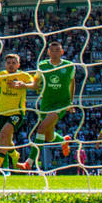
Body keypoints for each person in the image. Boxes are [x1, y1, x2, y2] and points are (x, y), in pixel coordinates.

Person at [18, 41, 75, 171]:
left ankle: (29, 162)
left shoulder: (69, 66)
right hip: (46, 103)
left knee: (41, 129)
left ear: (62, 52)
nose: (54, 53)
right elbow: (34, 84)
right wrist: (24, 85)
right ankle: (63, 140)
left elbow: (72, 83)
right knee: (48, 137)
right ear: (48, 52)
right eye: (52, 50)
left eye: (57, 50)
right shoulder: (42, 66)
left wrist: (71, 102)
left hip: (61, 104)